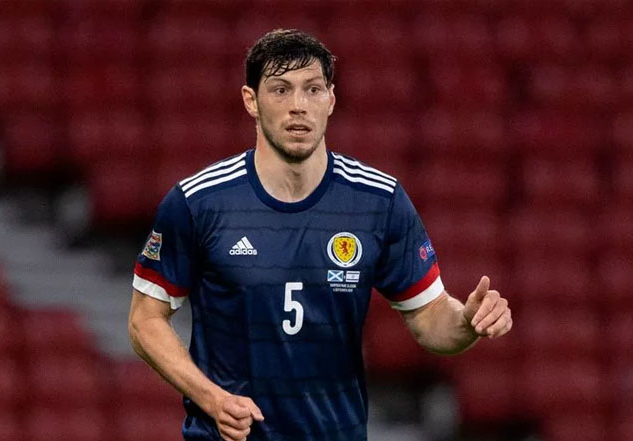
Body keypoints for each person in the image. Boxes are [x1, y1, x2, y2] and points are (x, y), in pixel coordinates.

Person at [128, 29, 512, 441]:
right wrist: (212, 399)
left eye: (312, 89)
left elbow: (430, 318)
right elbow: (144, 320)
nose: (298, 105)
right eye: (281, 90)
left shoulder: (378, 201)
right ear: (251, 101)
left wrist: (466, 322)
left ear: (330, 99)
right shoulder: (198, 202)